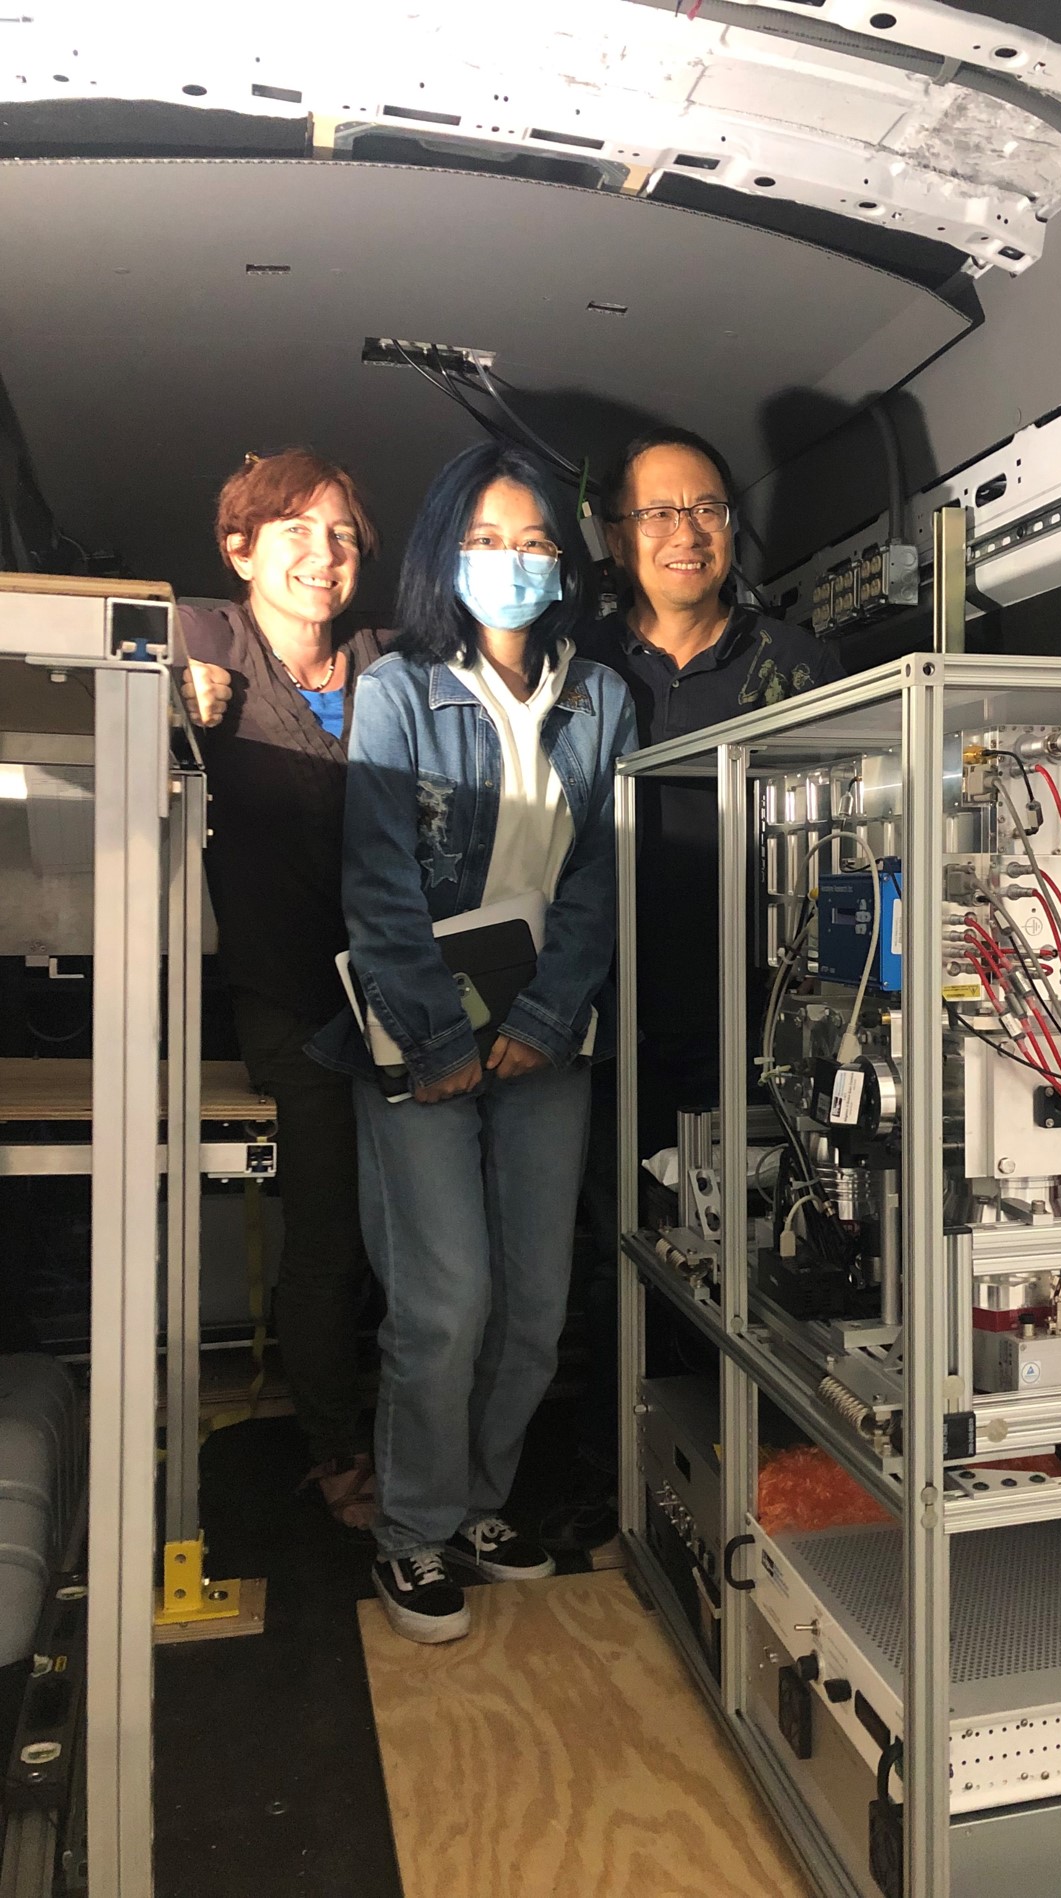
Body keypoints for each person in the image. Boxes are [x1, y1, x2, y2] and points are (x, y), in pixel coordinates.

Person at [312, 441, 637, 1644]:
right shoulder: (397, 688)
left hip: (549, 1031)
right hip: (420, 1037)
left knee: (538, 1301)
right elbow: (378, 879)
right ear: (448, 554)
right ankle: (413, 1527)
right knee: (444, 1299)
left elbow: (601, 876)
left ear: (565, 560)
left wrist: (545, 1019)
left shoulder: (602, 698)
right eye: (489, 542)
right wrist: (440, 1033)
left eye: (536, 541)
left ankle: (482, 1503)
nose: (513, 562)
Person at [545, 425, 844, 1551]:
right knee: (605, 1255)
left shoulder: (793, 666)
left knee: (753, 1253)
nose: (685, 531)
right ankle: (612, 1482)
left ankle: (745, 1491)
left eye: (707, 509)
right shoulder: (574, 663)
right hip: (605, 1016)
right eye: (659, 513)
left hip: (753, 1022)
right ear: (615, 537)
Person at [179, 449, 386, 1530]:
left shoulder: (388, 661)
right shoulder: (200, 643)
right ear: (240, 548)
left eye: (342, 533)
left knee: (422, 1233)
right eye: (295, 530)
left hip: (404, 998)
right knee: (330, 1235)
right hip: (293, 998)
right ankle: (336, 1447)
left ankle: (426, 1432)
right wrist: (171, 706)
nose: (322, 553)